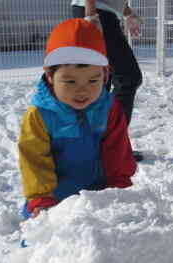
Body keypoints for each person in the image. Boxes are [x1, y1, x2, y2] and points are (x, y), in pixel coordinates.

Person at [18, 18, 137, 218]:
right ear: (50, 76)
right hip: (54, 197)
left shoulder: (109, 109)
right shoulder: (40, 115)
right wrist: (41, 200)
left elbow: (118, 152)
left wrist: (119, 190)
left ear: (105, 75)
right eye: (70, 81)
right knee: (44, 244)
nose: (82, 90)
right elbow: (34, 161)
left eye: (93, 80)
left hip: (98, 192)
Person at [71, 0, 143, 159]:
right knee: (128, 77)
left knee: (104, 82)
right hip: (95, 10)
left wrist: (125, 11)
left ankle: (98, 146)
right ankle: (111, 149)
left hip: (103, 8)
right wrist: (92, 16)